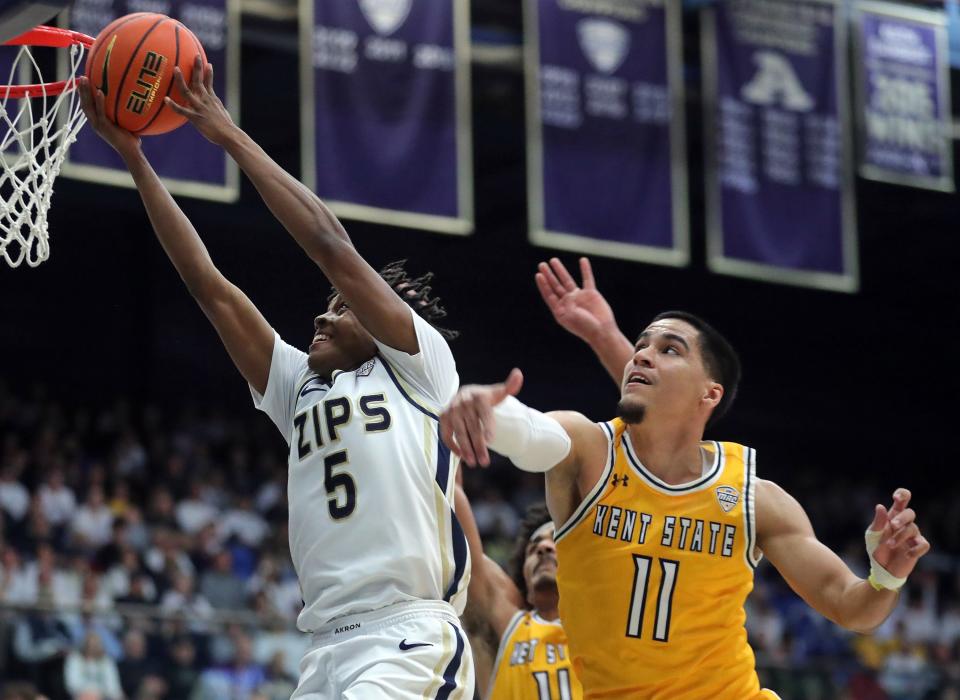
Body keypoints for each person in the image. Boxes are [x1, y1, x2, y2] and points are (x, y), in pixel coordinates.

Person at [79, 55, 473, 698]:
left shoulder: (421, 370)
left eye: (342, 308)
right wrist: (136, 161)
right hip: (323, 648)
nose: (322, 312)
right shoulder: (299, 388)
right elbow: (212, 289)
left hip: (408, 636)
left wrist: (225, 133)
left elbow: (329, 245)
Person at [440, 257, 930, 698]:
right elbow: (536, 433)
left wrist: (886, 575)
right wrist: (487, 408)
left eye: (669, 349)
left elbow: (853, 607)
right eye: (639, 346)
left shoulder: (753, 497)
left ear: (710, 394)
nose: (642, 355)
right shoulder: (590, 451)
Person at [454, 481, 582, 699]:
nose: (544, 547)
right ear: (524, 576)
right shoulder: (506, 626)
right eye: (533, 548)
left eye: (557, 540)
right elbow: (453, 509)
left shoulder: (602, 630)